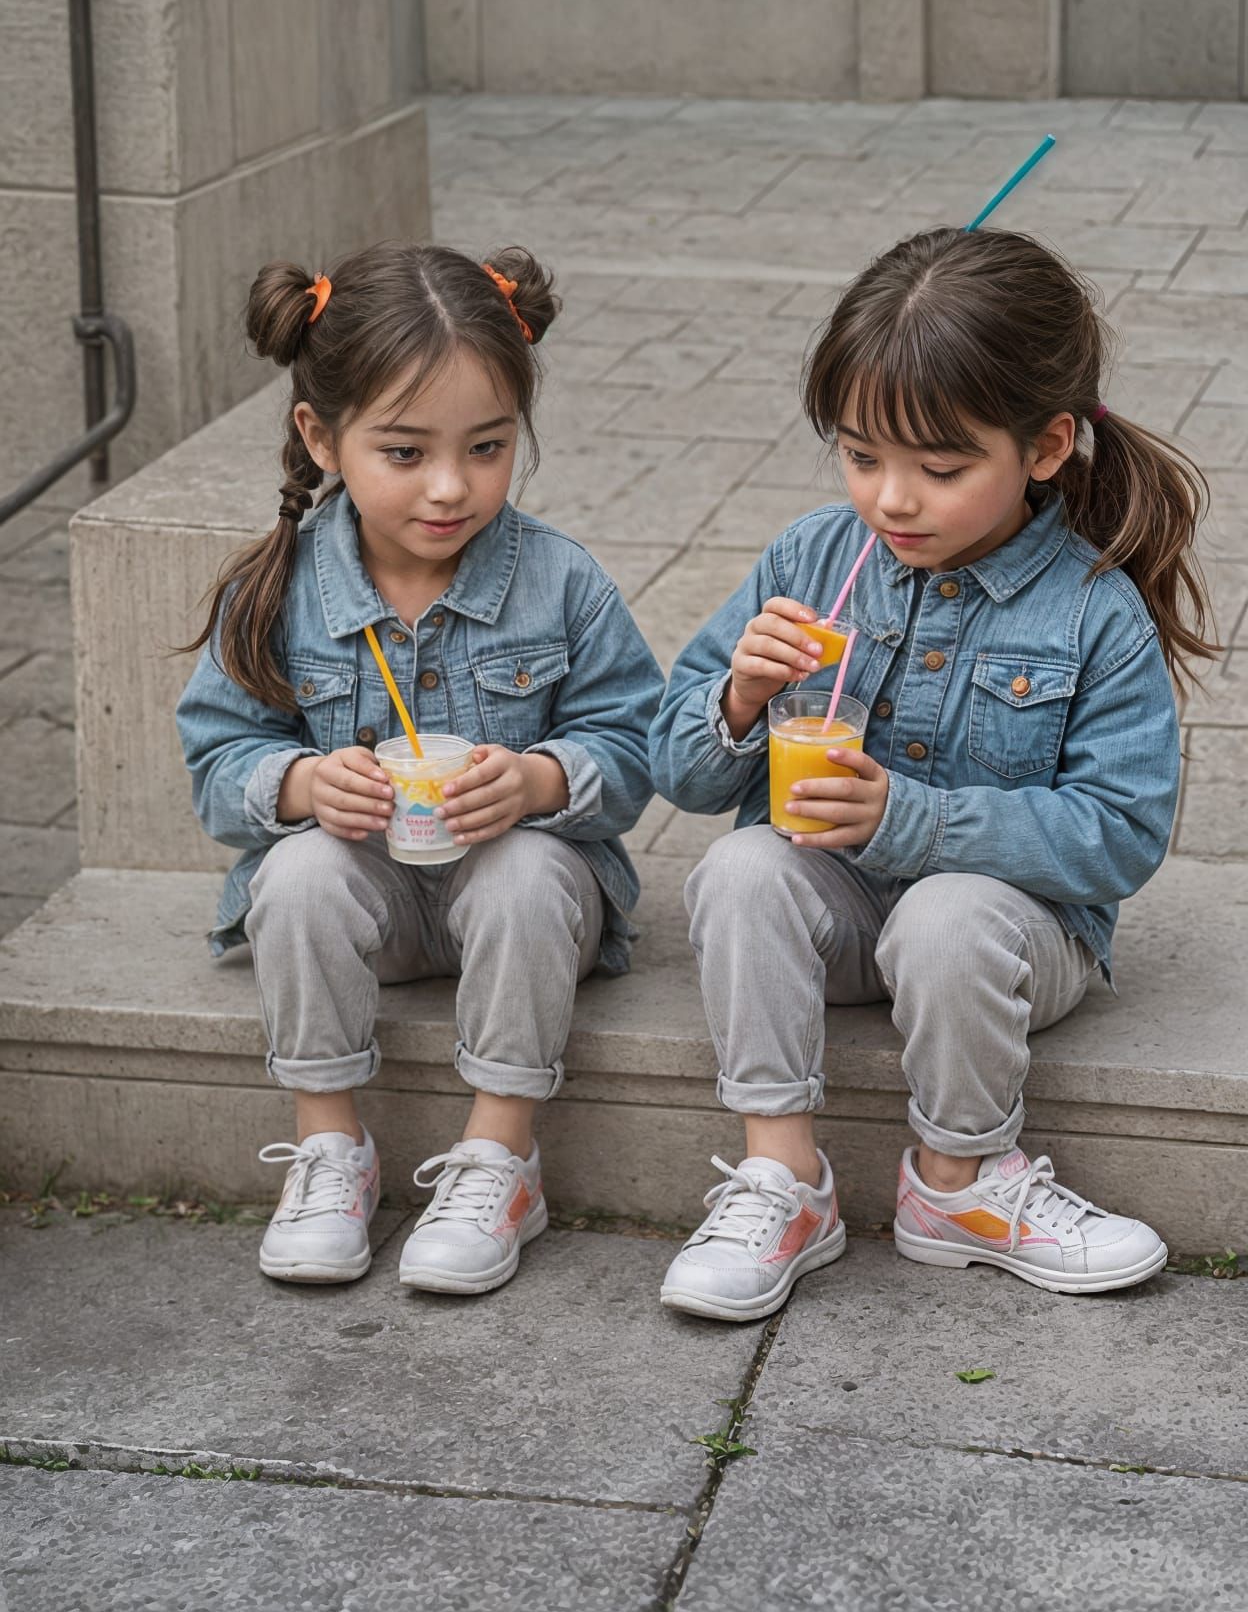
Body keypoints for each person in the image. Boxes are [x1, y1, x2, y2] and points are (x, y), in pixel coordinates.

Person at [650, 225, 1217, 1320]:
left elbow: (1121, 834)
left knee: (948, 915)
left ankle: (960, 1184)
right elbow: (677, 771)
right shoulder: (815, 559)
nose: (891, 501)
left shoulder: (1091, 608)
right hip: (846, 921)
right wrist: (739, 701)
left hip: (1014, 942)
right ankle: (782, 1178)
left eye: (940, 468)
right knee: (741, 870)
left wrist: (906, 818)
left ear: (1045, 448)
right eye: (862, 456)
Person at [176, 241, 663, 1294]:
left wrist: (540, 783)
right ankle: (330, 1150)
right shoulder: (280, 593)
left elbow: (636, 742)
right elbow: (218, 761)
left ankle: (499, 1157)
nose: (452, 487)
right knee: (295, 873)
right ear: (322, 435)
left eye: (487, 448)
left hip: (525, 911)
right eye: (405, 453)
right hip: (372, 911)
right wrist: (303, 787)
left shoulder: (560, 582)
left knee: (529, 869)